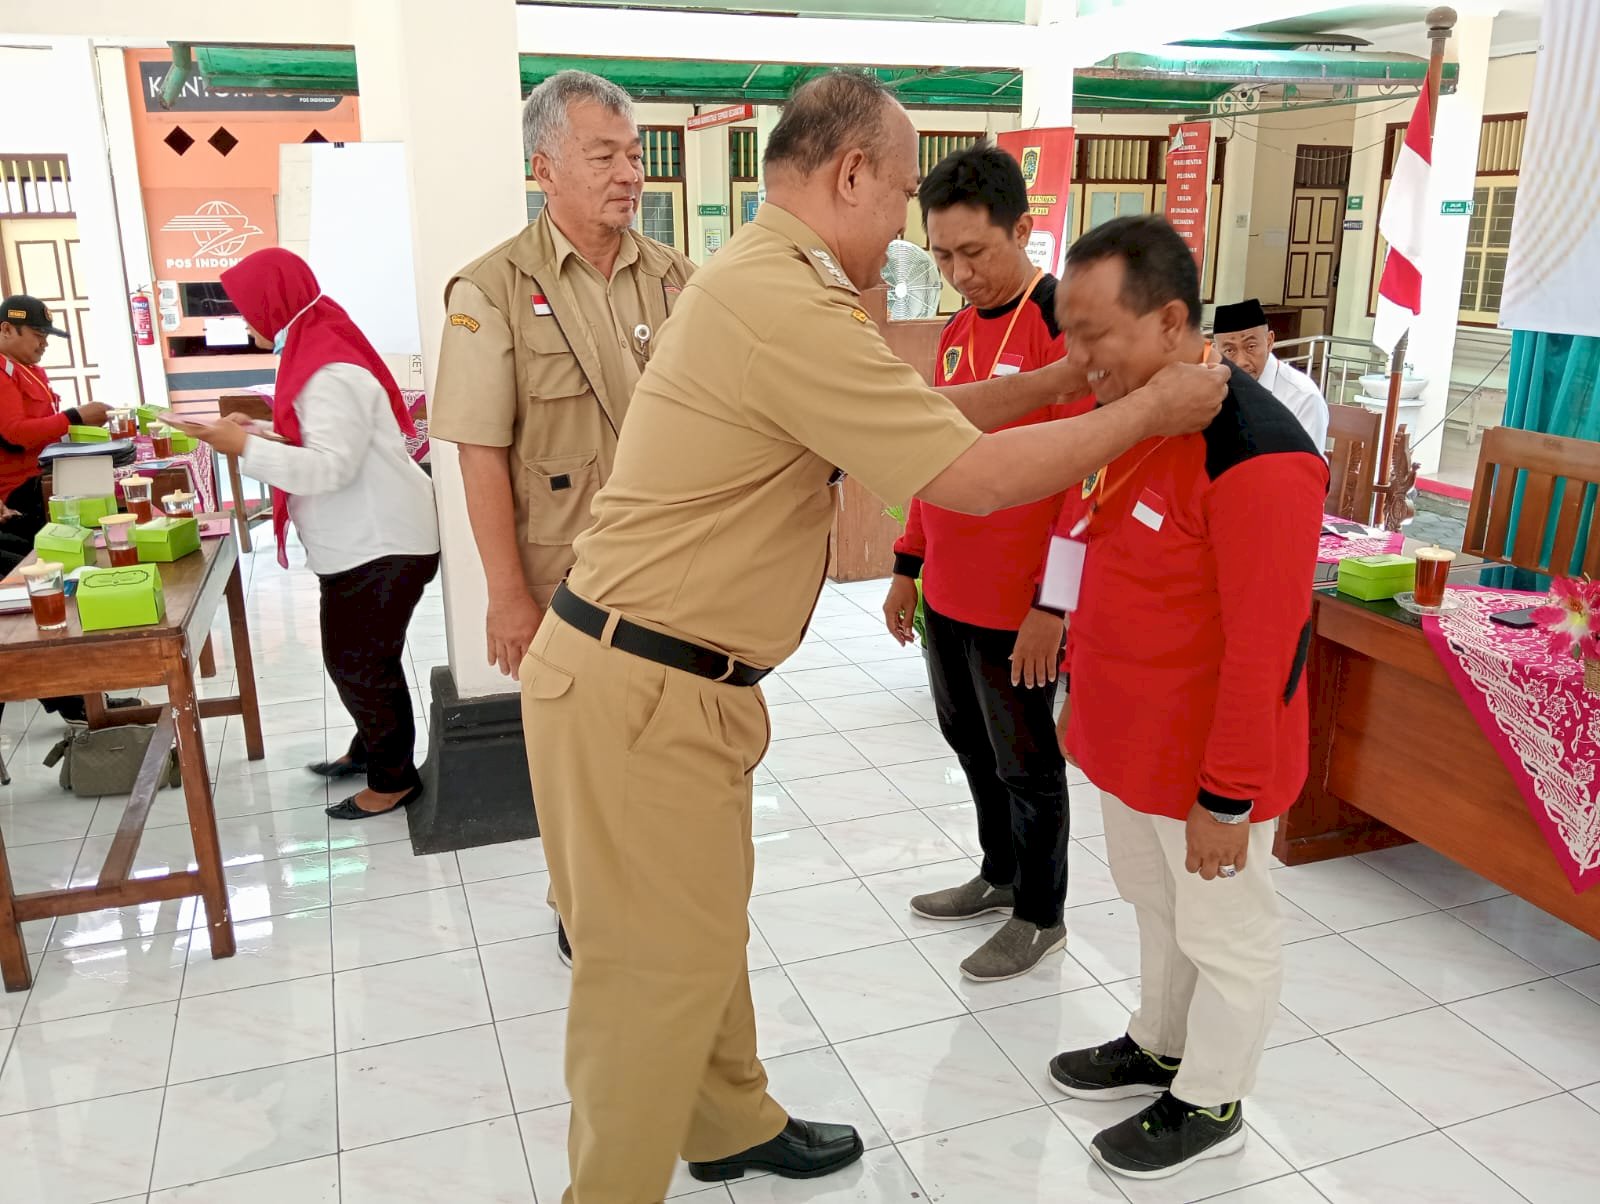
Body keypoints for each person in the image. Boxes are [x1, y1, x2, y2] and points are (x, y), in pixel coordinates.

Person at [517, 70, 1229, 1203]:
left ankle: (726, 1118)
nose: (904, 224)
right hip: (639, 689)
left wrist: (1053, 378)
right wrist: (1144, 410)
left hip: (667, 682)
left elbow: (918, 419)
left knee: (697, 930)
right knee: (647, 972)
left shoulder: (773, 284)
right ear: (850, 173)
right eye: (898, 193)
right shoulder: (779, 300)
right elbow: (974, 477)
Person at [1044, 217, 1325, 1181]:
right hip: (1129, 740)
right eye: (1068, 334)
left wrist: (1229, 795)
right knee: (1154, 904)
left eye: (1093, 335)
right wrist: (1079, 690)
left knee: (1228, 935)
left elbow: (1267, 642)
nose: (1078, 360)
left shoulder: (1257, 449)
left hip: (1208, 762)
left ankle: (1210, 1098)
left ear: (1169, 321)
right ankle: (1159, 1040)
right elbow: (1092, 542)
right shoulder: (1142, 417)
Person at [430, 69, 695, 968]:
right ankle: (580, 905)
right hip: (564, 577)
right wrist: (506, 595)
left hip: (667, 573)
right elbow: (478, 452)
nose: (631, 173)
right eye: (605, 155)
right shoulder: (492, 289)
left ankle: (650, 890)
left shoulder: (674, 280)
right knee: (576, 759)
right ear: (545, 165)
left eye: (635, 154)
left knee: (660, 749)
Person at [881, 142, 1074, 983]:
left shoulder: (1063, 323)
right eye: (944, 255)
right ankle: (998, 875)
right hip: (952, 590)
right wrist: (906, 565)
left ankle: (1041, 913)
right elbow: (934, 453)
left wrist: (1054, 605)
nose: (960, 273)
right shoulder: (959, 329)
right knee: (968, 742)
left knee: (1029, 764)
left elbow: (1090, 477)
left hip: (1021, 602)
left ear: (1024, 229)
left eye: (976, 252)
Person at [176, 249, 440, 821]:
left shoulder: (325, 369)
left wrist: (243, 447)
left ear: (273, 302)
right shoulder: (318, 346)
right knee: (364, 657)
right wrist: (263, 431)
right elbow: (324, 439)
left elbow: (330, 467)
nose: (245, 321)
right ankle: (372, 747)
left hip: (380, 542)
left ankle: (393, 780)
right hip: (371, 540)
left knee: (358, 663)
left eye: (248, 307)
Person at [0, 294, 110, 541]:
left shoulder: (30, 370)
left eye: (46, 336)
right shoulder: (3, 372)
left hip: (47, 476)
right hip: (22, 492)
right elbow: (14, 435)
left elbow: (47, 424)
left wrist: (80, 423)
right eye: (38, 335)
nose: (44, 343)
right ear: (7, 329)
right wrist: (75, 416)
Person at [1210, 298, 1329, 450]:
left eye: (1251, 346)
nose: (1241, 362)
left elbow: (1308, 468)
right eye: (1229, 350)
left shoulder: (1303, 397)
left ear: (1269, 341)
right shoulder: (1213, 389)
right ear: (1216, 351)